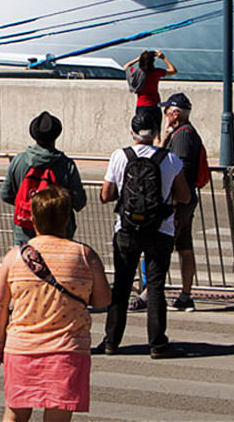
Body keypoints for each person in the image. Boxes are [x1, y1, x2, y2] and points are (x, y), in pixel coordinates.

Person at [0, 186, 110, 422]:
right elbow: (103, 299)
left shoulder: (14, 257)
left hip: (22, 348)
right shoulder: (84, 255)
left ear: (33, 218)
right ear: (67, 218)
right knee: (58, 416)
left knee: (15, 413)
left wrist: (2, 340)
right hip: (67, 350)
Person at [98, 113, 190, 358]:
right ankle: (157, 344)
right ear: (156, 132)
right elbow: (185, 196)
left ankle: (111, 341)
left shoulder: (120, 156)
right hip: (160, 229)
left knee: (121, 285)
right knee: (156, 286)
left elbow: (106, 195)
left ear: (132, 132)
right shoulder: (169, 159)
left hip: (126, 229)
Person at [1, 114, 87, 245]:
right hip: (59, 233)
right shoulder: (66, 165)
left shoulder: (19, 161)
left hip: (25, 231)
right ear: (56, 136)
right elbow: (79, 201)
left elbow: (6, 194)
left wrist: (29, 206)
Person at [161, 93, 207, 312]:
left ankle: (150, 293)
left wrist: (176, 200)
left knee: (163, 247)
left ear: (175, 114)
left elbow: (180, 170)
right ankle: (185, 296)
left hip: (179, 202)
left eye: (166, 112)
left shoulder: (183, 136)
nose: (164, 115)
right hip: (185, 200)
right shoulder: (182, 133)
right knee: (184, 246)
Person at [122, 49, 177, 132]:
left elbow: (126, 67)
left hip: (141, 106)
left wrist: (139, 58)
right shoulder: (156, 72)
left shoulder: (137, 73)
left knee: (141, 132)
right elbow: (173, 71)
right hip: (155, 106)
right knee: (156, 132)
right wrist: (163, 58)